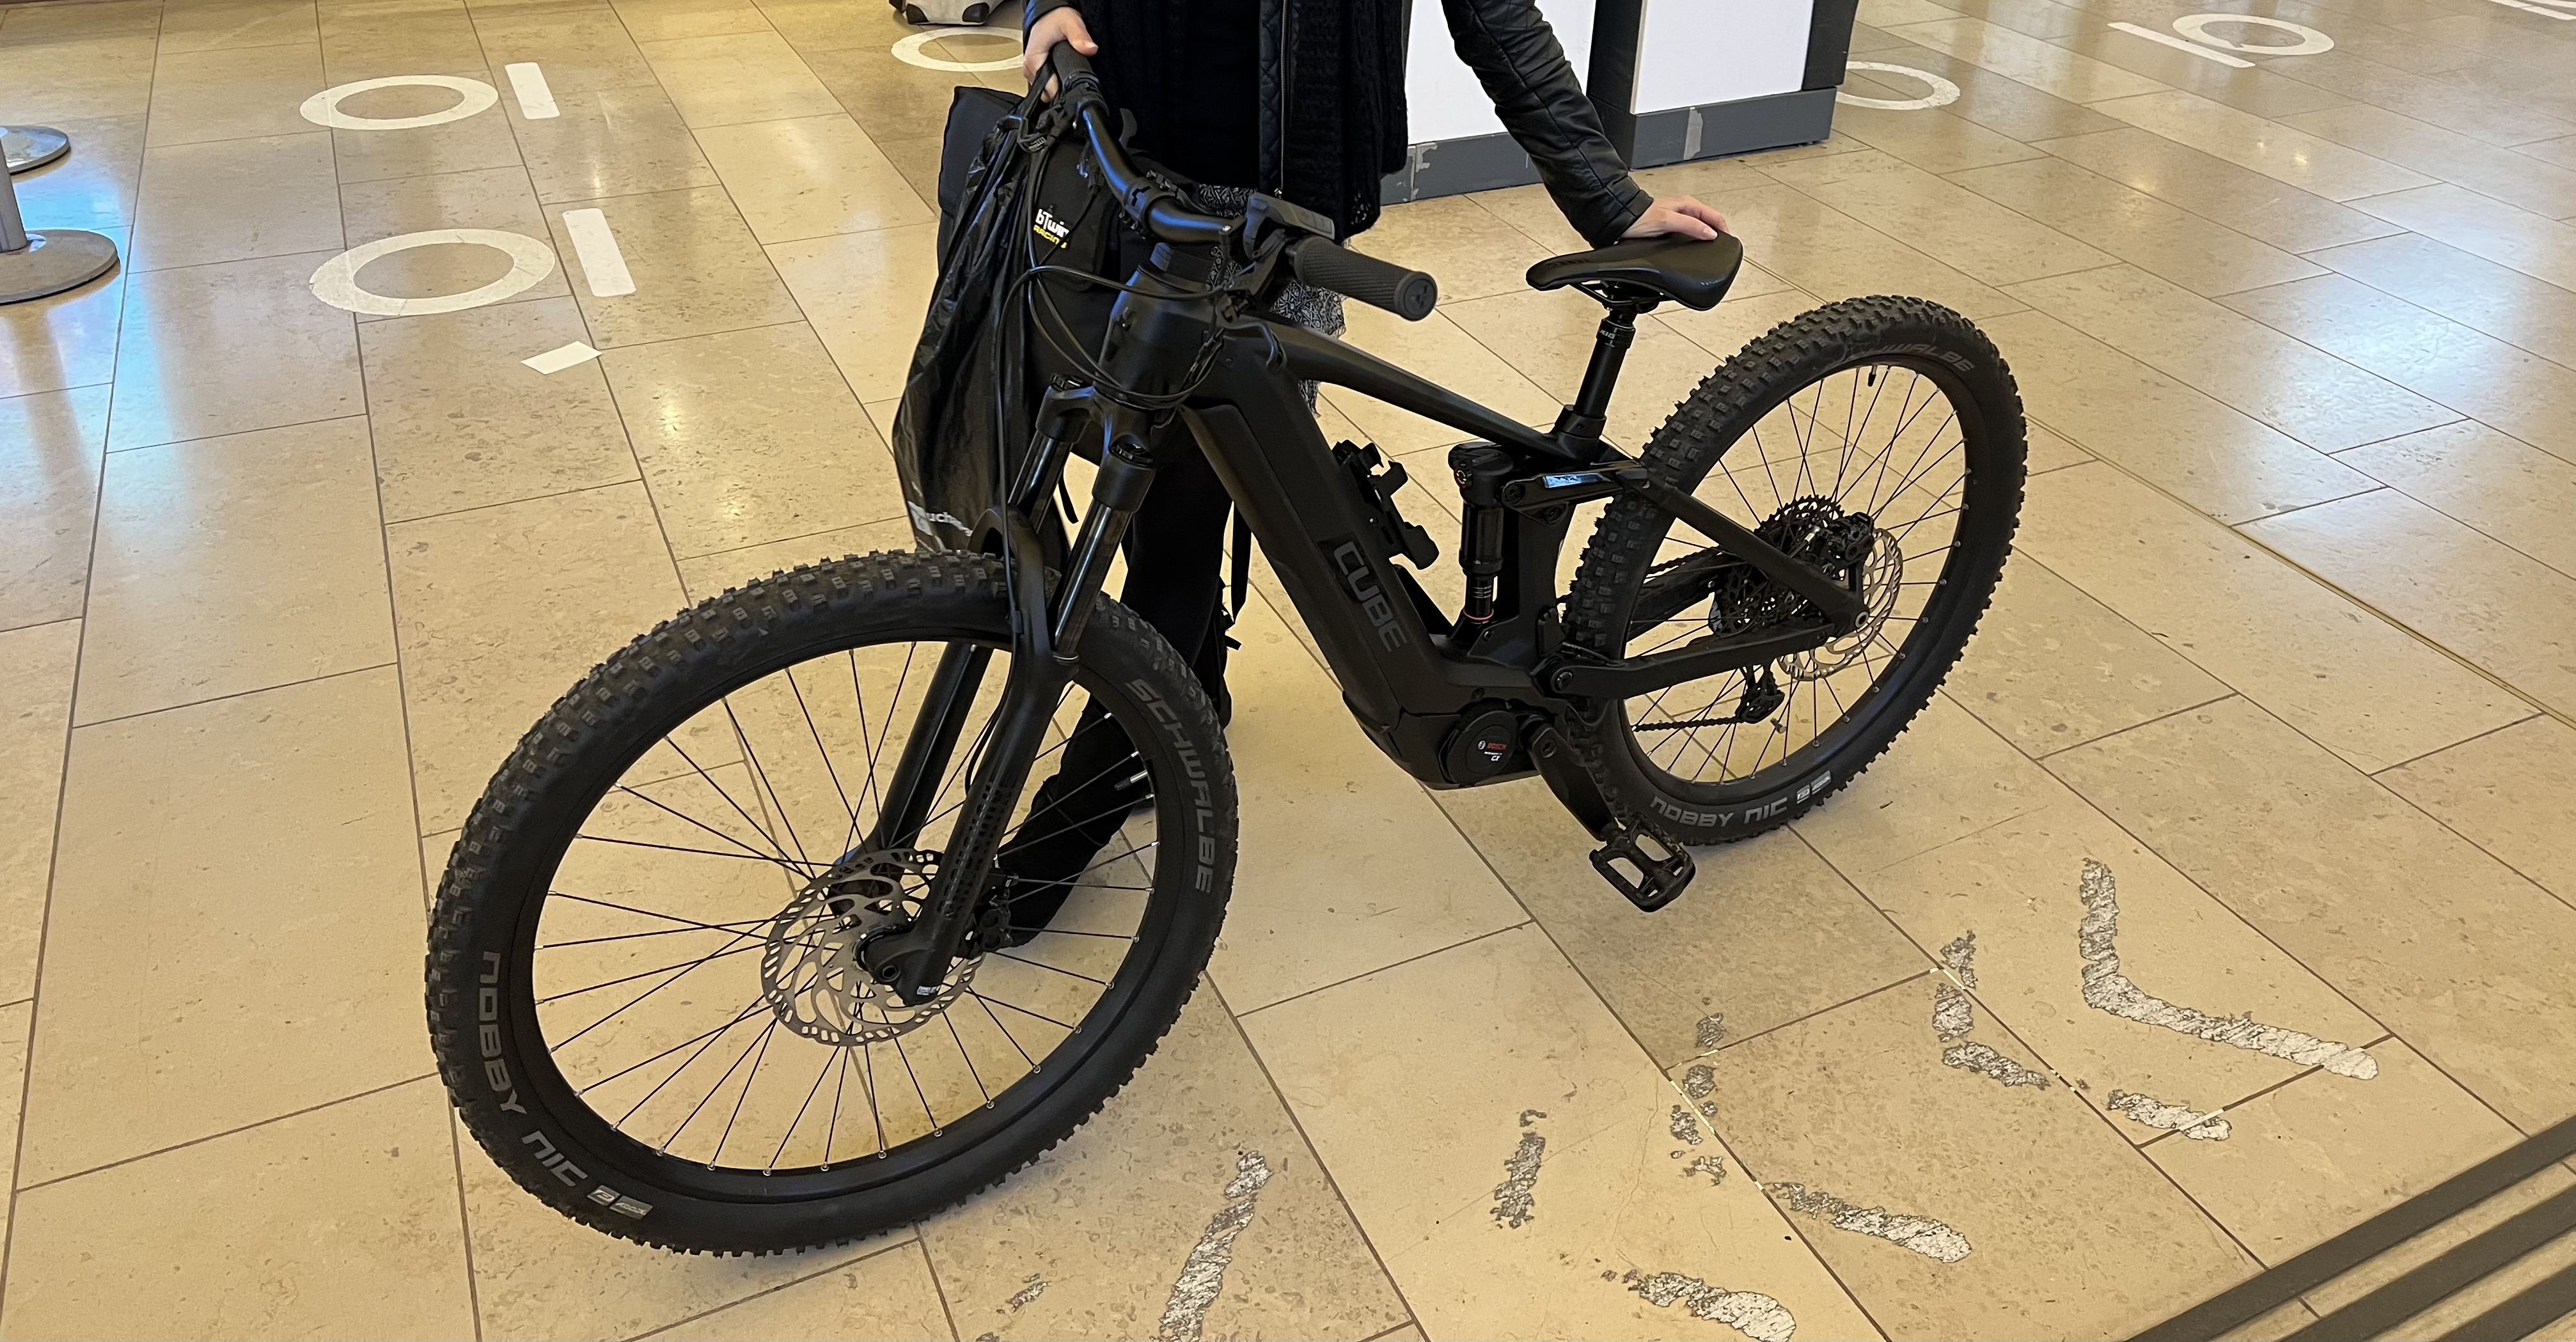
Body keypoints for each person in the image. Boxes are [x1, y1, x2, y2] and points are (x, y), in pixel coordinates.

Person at [991, 0, 1729, 937]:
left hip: (1273, 220)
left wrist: (1610, 201)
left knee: (1186, 505)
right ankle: (1188, 690)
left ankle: (1073, 821)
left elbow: (1494, 11)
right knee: (1163, 493)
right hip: (1128, 177)